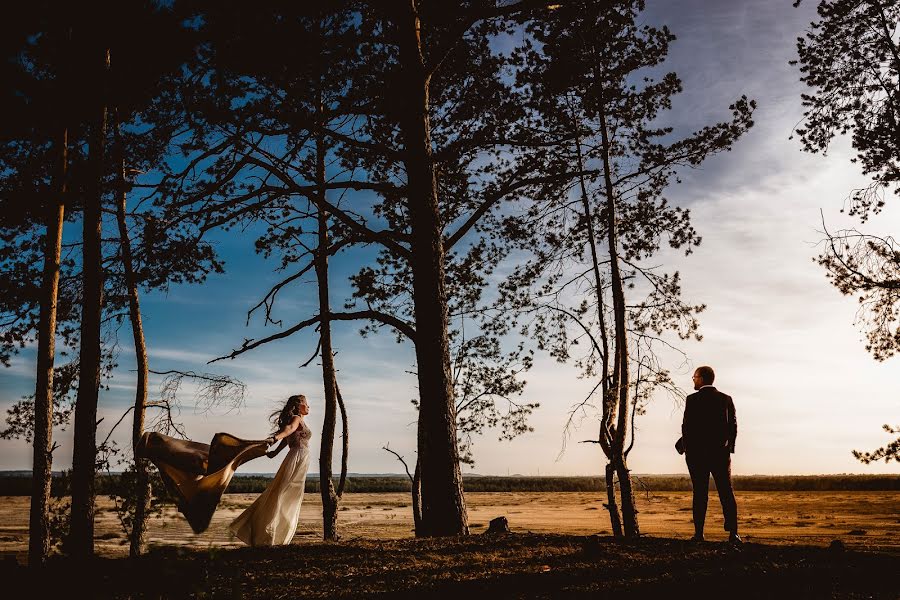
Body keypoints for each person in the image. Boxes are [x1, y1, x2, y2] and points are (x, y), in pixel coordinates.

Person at [229, 394, 312, 546]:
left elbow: (289, 436)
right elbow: (289, 430)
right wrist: (275, 438)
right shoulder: (296, 419)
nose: (308, 407)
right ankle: (270, 533)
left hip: (298, 457)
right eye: (306, 404)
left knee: (284, 493)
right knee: (283, 494)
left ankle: (275, 533)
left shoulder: (298, 419)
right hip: (298, 457)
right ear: (299, 404)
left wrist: (275, 452)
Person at [679, 366, 740, 544]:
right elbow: (733, 427)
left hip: (697, 456)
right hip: (720, 455)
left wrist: (688, 452)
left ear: (702, 378)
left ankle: (699, 534)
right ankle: (734, 534)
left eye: (694, 377)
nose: (693, 380)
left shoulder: (692, 400)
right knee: (726, 492)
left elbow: (686, 427)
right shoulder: (725, 399)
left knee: (700, 494)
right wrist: (729, 449)